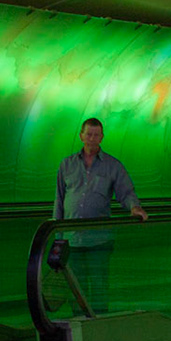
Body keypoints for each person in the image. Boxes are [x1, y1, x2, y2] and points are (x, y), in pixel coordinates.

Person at [53, 117, 148, 314]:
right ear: (81, 136)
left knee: (98, 287)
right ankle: (79, 324)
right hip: (72, 240)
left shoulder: (113, 166)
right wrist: (57, 237)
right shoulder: (66, 165)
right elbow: (59, 200)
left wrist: (134, 208)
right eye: (88, 134)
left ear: (102, 137)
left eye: (96, 135)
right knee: (75, 287)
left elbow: (126, 192)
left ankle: (98, 323)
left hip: (99, 240)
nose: (92, 138)